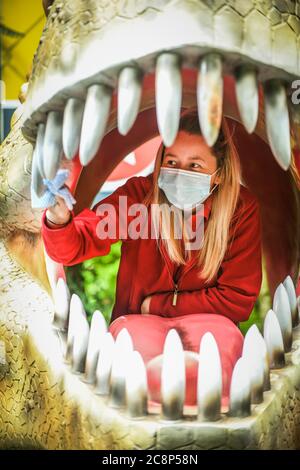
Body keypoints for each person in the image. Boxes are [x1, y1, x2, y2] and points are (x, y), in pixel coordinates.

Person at [41, 108, 262, 406]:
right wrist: (58, 218)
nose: (180, 172)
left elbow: (237, 299)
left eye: (195, 166)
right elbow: (76, 244)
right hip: (135, 328)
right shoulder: (139, 197)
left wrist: (157, 305)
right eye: (172, 162)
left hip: (210, 334)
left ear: (218, 175)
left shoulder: (241, 210)